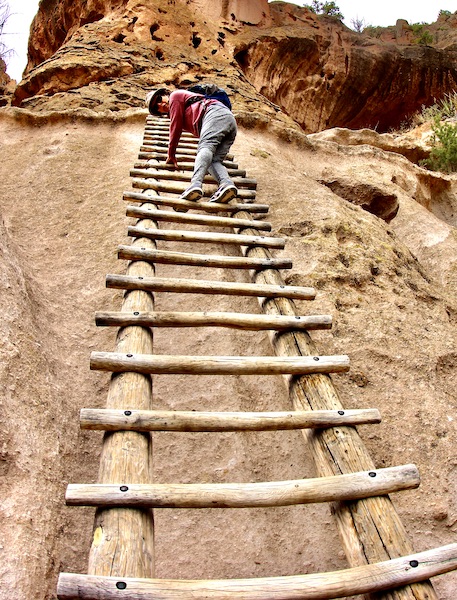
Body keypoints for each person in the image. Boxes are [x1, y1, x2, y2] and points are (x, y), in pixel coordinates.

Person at [145, 87, 238, 204]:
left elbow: (175, 127)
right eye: (156, 107)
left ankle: (195, 184)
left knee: (205, 147)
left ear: (165, 94)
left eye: (159, 98)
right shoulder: (180, 105)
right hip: (229, 121)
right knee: (213, 162)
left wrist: (171, 154)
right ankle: (226, 184)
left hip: (214, 113)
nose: (161, 104)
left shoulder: (175, 96)